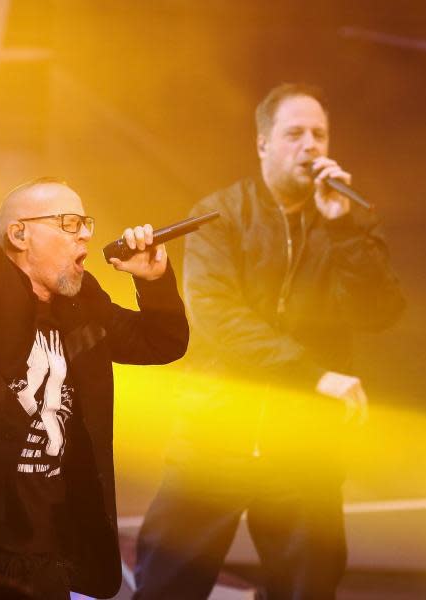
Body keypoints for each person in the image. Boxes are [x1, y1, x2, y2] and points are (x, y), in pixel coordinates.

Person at [0, 48, 189, 600]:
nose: (84, 236)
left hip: (48, 557)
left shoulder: (85, 306)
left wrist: (153, 280)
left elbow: (162, 342)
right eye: (69, 223)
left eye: (86, 224)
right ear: (20, 235)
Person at [132, 83, 405, 599]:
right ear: (262, 144)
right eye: (295, 134)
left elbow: (382, 312)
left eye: (320, 135)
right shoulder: (220, 216)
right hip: (216, 435)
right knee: (166, 586)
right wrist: (315, 374)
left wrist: (345, 230)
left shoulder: (348, 220)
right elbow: (218, 317)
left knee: (309, 586)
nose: (311, 146)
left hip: (300, 447)